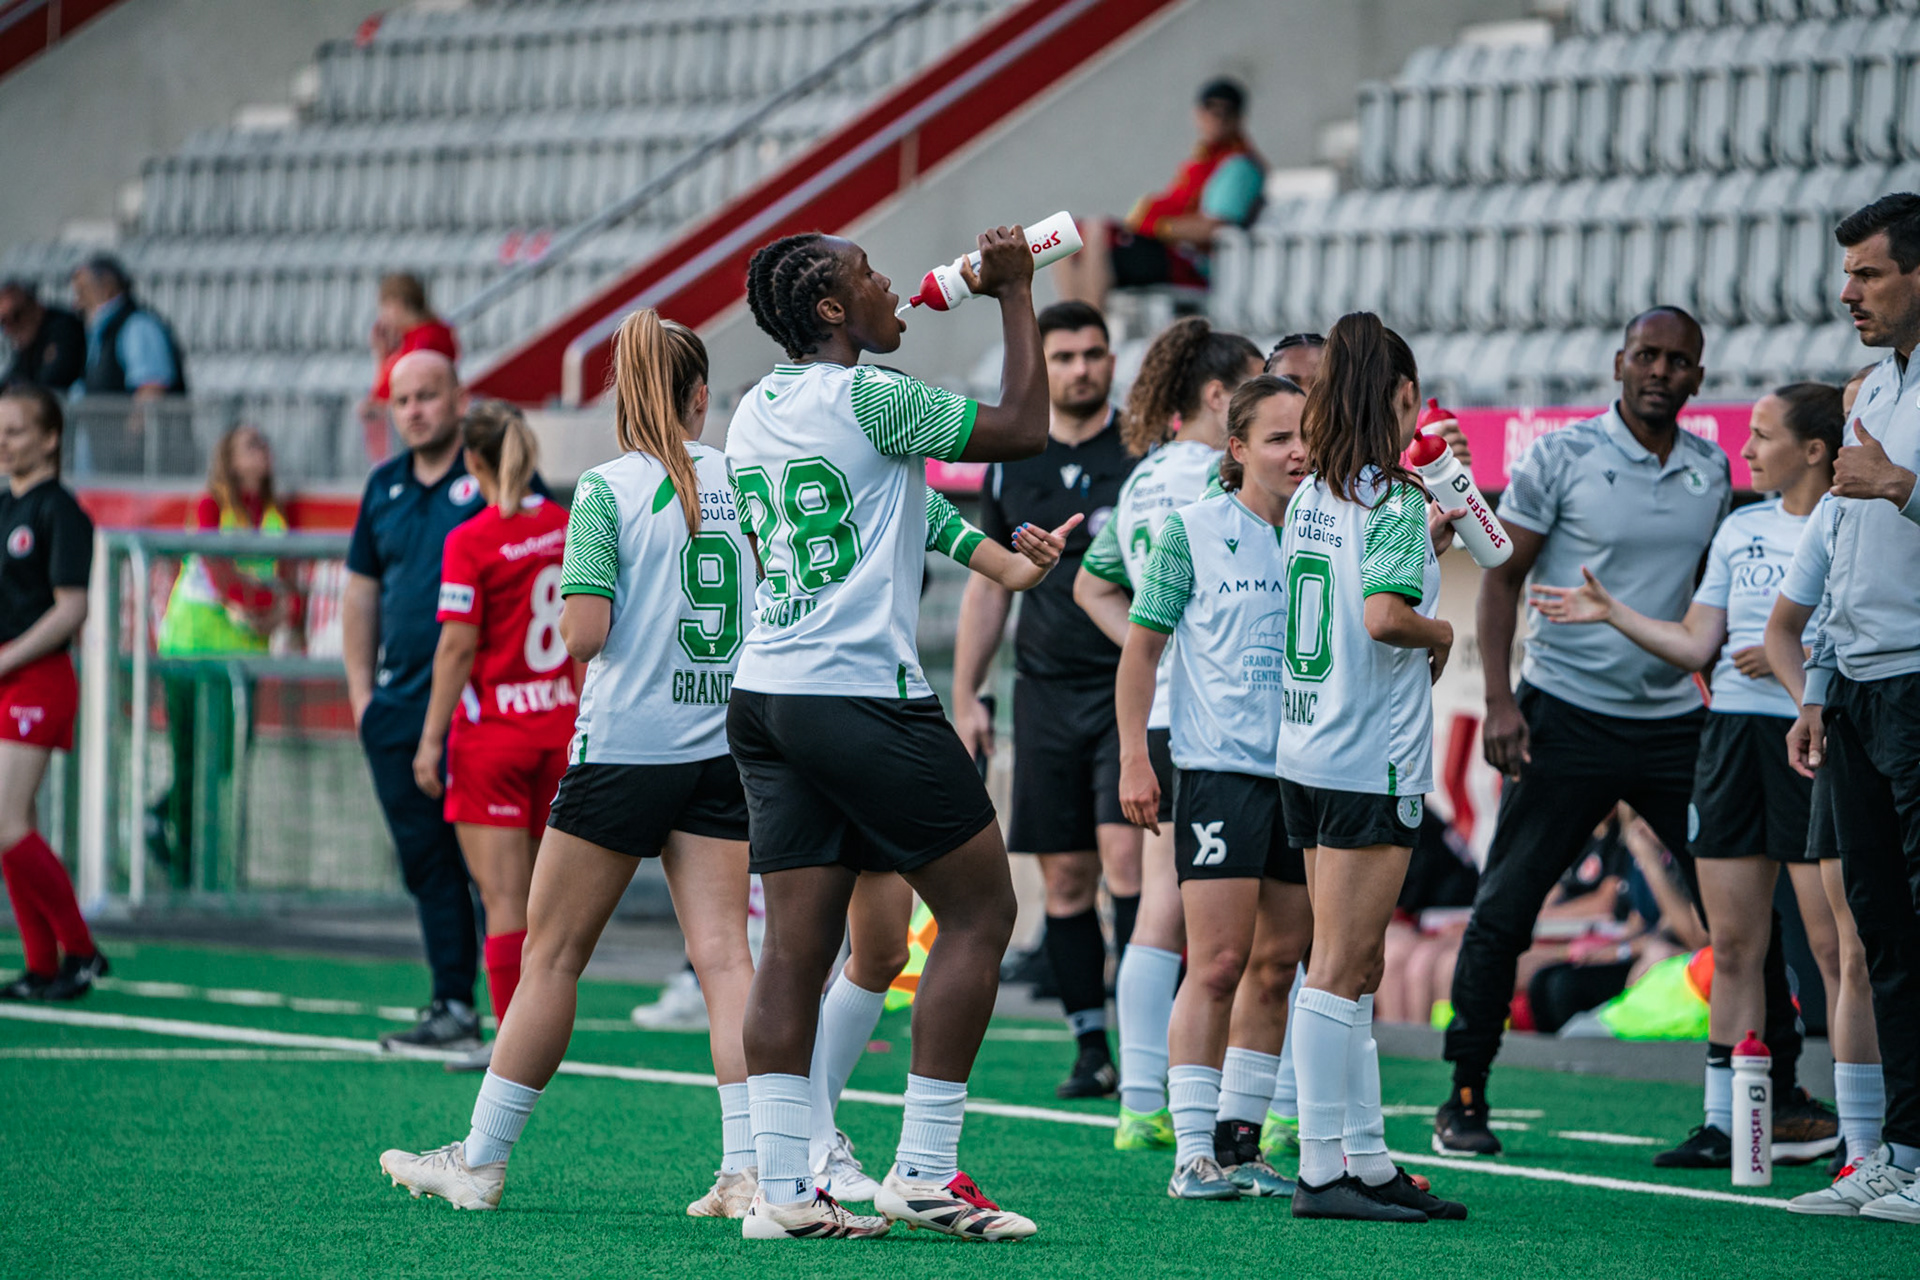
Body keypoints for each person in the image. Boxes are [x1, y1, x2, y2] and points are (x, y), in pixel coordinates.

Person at [378, 311, 758, 1217]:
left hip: (625, 746)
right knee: (725, 960)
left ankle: (479, 1159)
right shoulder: (751, 480)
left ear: (625, 399)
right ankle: (749, 1167)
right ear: (700, 399)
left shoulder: (603, 489)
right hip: (722, 742)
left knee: (550, 957)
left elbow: (584, 631)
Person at [1433, 307, 1825, 1159]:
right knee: (1505, 907)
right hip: (1563, 715)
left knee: (1743, 912)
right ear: (1618, 363)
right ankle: (1465, 1092)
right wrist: (1501, 702)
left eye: (1678, 361)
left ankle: (1778, 1095)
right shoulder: (1560, 454)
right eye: (1646, 355)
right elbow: (1501, 581)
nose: (1659, 371)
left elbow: (1705, 599)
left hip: (1676, 724)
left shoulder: (1712, 469)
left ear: (1697, 376)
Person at [722, 224, 1047, 1242]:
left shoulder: (753, 406)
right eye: (867, 272)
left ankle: (784, 1187)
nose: (890, 282)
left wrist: (994, 559)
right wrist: (1015, 293)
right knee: (982, 910)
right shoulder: (873, 395)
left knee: (793, 947)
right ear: (829, 309)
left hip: (768, 690)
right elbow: (1025, 425)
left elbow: (892, 507)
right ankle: (924, 1168)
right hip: (861, 692)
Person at [1530, 383, 1852, 1169]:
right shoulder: (1741, 528)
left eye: (1764, 437)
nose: (1746, 452)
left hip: (1807, 741)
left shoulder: (1852, 527)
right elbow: (1695, 643)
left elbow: (1857, 641)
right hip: (1731, 742)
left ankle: (1866, 1133)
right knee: (1734, 944)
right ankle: (1723, 1124)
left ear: (1813, 450)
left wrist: (1796, 661)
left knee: (1837, 949)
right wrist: (1613, 614)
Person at [809, 490, 1087, 1201]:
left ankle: (804, 1147)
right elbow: (1015, 426)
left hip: (844, 712)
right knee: (785, 946)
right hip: (835, 711)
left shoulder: (899, 483)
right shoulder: (811, 456)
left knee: (879, 950)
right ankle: (805, 1155)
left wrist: (1034, 563)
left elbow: (1008, 573)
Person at [1277, 312, 1462, 1223]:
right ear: (1399, 397)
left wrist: (1427, 549)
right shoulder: (1385, 495)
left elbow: (1361, 584)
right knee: (1340, 966)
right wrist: (1444, 630)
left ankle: (1367, 1158)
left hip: (1310, 749)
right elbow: (1386, 616)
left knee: (1349, 967)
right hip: (1366, 759)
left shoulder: (1316, 492)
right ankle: (1323, 1170)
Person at [1763, 193, 1920, 1225]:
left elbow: (1881, 500)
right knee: (1886, 928)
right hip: (1859, 688)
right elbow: (1846, 545)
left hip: (1917, 681)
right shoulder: (1874, 386)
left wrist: (1901, 482)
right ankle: (1900, 1150)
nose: (1846, 290)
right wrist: (1816, 683)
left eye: (1866, 271)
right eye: (1847, 273)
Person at [1115, 375, 1311, 1200]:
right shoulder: (1191, 532)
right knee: (1220, 960)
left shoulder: (1325, 535)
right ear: (1237, 450)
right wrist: (1135, 756)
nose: (1298, 452)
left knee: (1276, 968)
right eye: (1277, 438)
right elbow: (1140, 653)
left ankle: (1239, 1146)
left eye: (1307, 436)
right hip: (1219, 773)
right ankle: (1191, 1152)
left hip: (1307, 778)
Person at [1074, 316, 1263, 1152]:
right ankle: (1251, 1106)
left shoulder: (1145, 476)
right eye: (1256, 389)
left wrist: (1152, 651)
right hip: (1211, 721)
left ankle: (1140, 1100)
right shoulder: (1218, 483)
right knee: (1230, 931)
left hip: (1158, 713)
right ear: (1220, 398)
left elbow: (1093, 586)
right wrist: (1186, 652)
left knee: (1158, 911)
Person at [950, 298, 1139, 1100]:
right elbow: (988, 589)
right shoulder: (1011, 459)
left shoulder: (1141, 453)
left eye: (1093, 354)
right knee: (1065, 878)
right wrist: (967, 693)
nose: (1080, 369)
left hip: (1128, 687)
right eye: (1063, 358)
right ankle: (1090, 1044)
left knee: (1127, 863)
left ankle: (1149, 1039)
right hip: (1046, 691)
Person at [346, 351, 544, 1051]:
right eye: (403, 401)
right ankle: (455, 1003)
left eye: (428, 396)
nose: (416, 411)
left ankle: (525, 1022)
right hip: (403, 706)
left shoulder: (498, 469)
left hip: (492, 711)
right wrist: (362, 693)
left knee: (503, 875)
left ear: (459, 398)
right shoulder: (383, 487)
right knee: (427, 860)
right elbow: (361, 593)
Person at [411, 402, 574, 1074]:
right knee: (541, 900)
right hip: (559, 728)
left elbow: (455, 647)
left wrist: (428, 740)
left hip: (493, 738)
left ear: (471, 461)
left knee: (504, 901)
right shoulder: (567, 526)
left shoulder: (471, 539)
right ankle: (539, 1032)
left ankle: (513, 1044)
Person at [152, 424, 295, 887]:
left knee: (228, 758)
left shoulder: (273, 515)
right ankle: (186, 864)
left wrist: (273, 613)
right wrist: (259, 606)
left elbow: (284, 583)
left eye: (265, 441)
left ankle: (162, 817)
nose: (264, 450)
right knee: (192, 757)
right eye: (252, 444)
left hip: (240, 656)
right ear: (230, 459)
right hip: (192, 650)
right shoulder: (213, 503)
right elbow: (218, 570)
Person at [0, 386, 108, 1001]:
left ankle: (83, 951)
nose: (5, 440)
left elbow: (72, 608)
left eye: (17, 429)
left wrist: (11, 656)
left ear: (49, 439)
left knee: (8, 822)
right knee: (13, 825)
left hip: (36, 674)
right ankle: (41, 966)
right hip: (8, 671)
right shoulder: (2, 505)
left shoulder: (60, 511)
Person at [1053, 79, 1265, 309]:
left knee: (1096, 232)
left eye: (1226, 112)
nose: (1217, 119)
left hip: (1191, 261)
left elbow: (1213, 228)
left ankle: (1091, 327)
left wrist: (1157, 226)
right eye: (1210, 110)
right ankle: (1070, 323)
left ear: (1239, 118)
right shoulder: (1202, 160)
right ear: (1197, 114)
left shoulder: (1238, 166)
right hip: (1167, 249)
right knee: (1066, 234)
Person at [361, 273, 460, 463]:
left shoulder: (427, 338)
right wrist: (383, 355)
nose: (383, 317)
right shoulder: (411, 338)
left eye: (385, 308)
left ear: (398, 304)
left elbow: (396, 389)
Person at [70, 255, 186, 398]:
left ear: (107, 287)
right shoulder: (100, 332)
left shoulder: (138, 326)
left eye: (83, 292)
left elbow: (151, 390)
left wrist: (133, 421)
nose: (77, 303)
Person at [0, 280, 86, 391]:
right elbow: (13, 378)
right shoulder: (27, 344)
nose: (9, 328)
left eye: (16, 316)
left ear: (34, 307)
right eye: (3, 322)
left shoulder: (63, 328)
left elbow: (54, 380)